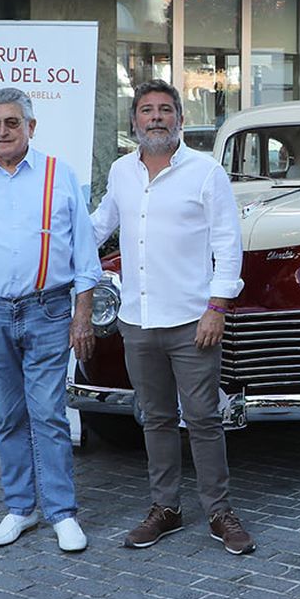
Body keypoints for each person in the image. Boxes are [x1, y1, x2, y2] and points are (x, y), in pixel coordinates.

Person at [91, 79, 253, 555]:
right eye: (147, 110)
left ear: (180, 119)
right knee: (156, 419)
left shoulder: (205, 172)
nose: (156, 117)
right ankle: (166, 508)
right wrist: (44, 239)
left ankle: (219, 511)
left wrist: (217, 308)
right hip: (137, 321)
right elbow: (97, 226)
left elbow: (228, 245)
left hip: (192, 322)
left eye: (165, 109)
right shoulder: (121, 171)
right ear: (134, 121)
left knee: (203, 419)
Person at [0, 87, 100, 553]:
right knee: (9, 416)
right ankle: (20, 509)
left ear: (31, 127)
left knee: (49, 415)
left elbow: (85, 253)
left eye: (12, 122)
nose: (3, 131)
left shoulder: (60, 174)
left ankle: (61, 512)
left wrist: (82, 315)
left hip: (48, 310)